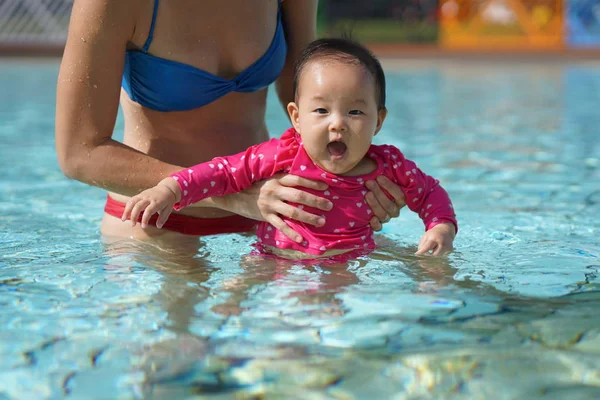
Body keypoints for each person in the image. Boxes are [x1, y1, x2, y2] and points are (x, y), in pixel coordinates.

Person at [55, 0, 406, 244]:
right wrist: (232, 197)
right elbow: (79, 152)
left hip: (272, 213)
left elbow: (315, 111)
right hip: (156, 222)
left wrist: (364, 183)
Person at [121, 38, 457, 259]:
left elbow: (430, 192)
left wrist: (440, 225)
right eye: (321, 111)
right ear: (296, 117)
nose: (336, 123)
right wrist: (170, 189)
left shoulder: (388, 166)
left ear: (378, 121)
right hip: (274, 258)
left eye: (355, 112)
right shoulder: (282, 156)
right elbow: (221, 172)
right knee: (232, 299)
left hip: (351, 262)